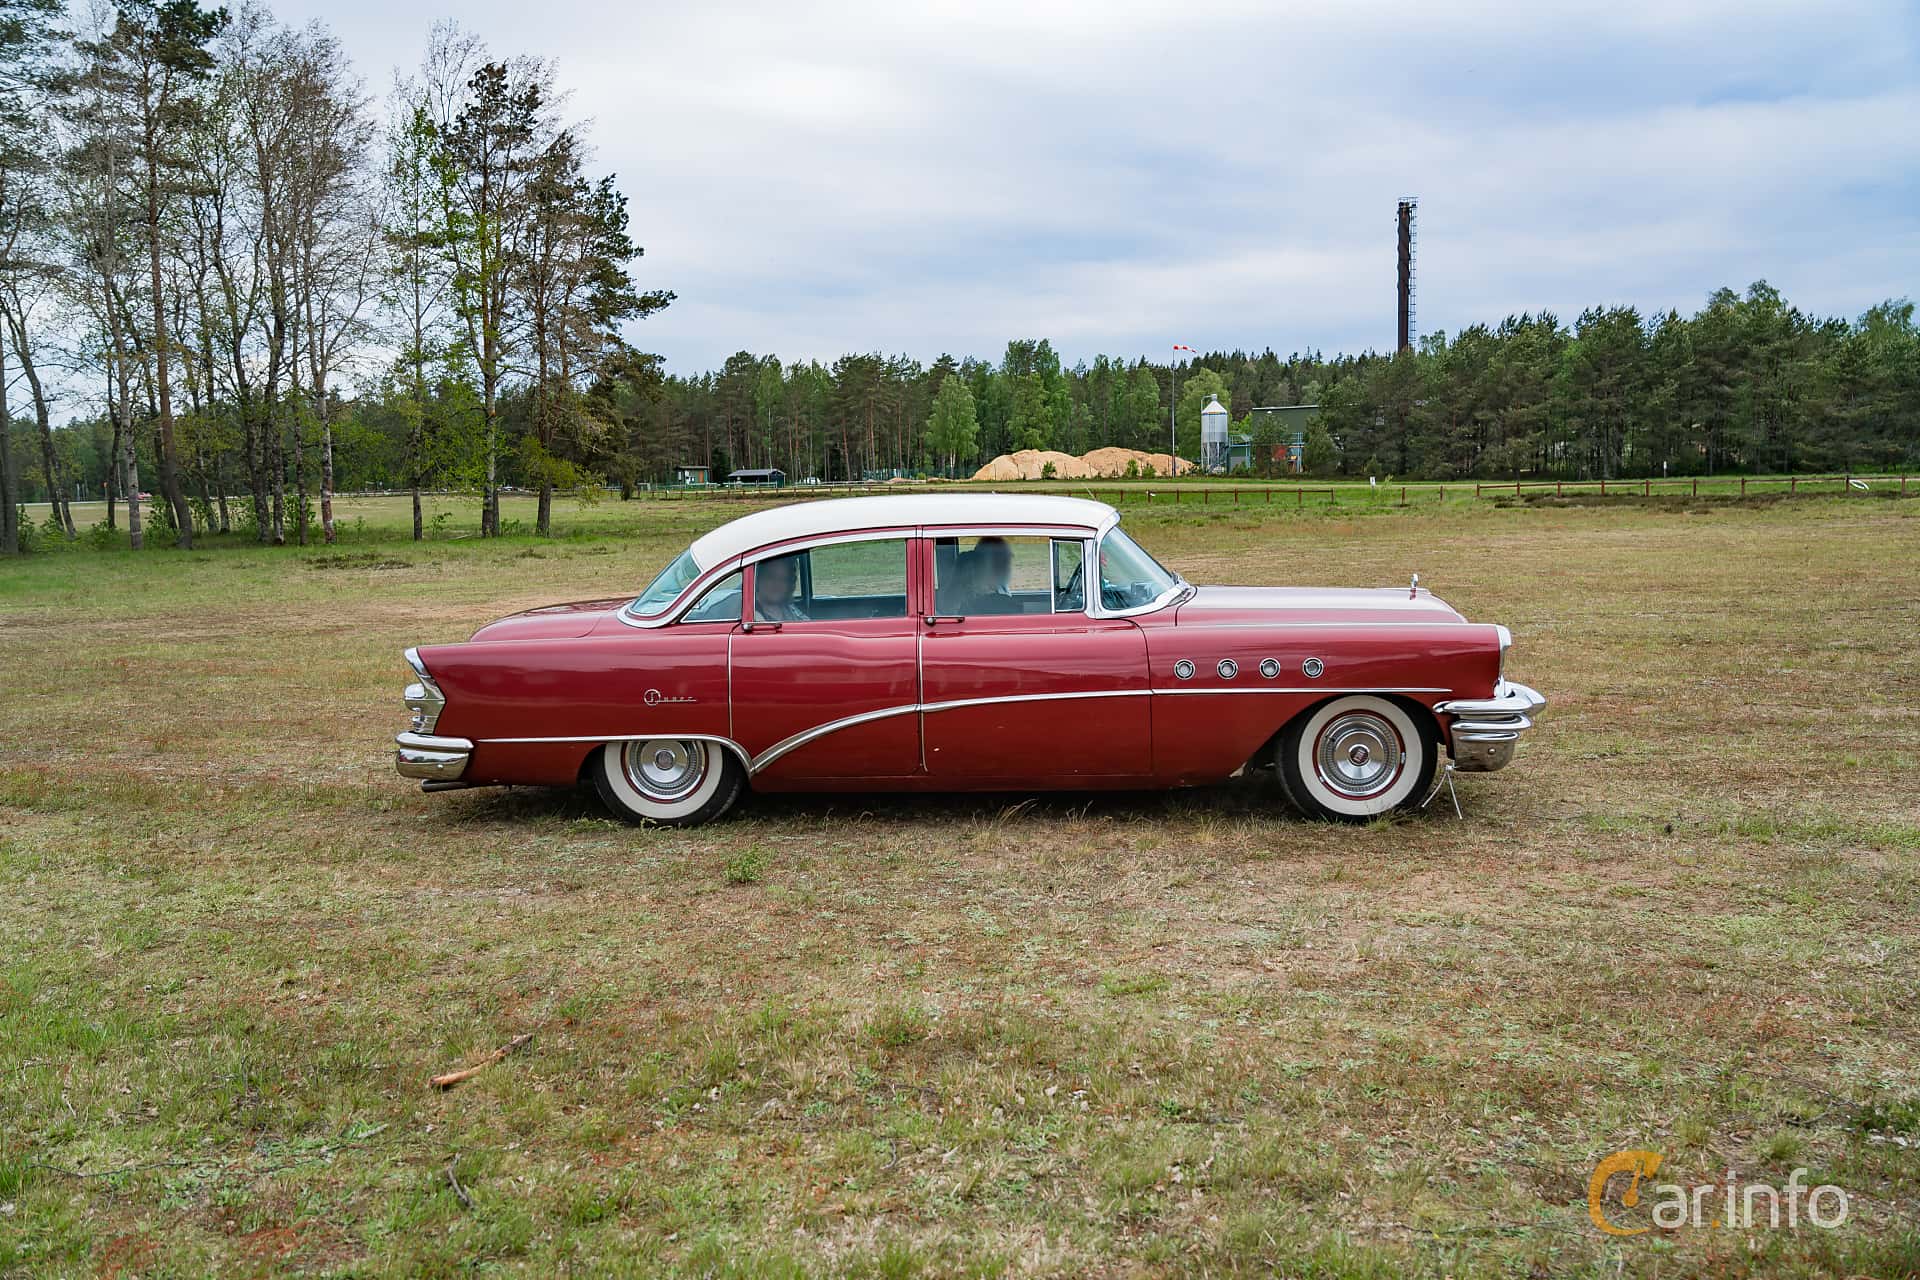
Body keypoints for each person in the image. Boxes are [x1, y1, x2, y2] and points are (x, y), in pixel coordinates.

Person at [754, 554, 809, 622]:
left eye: (783, 579)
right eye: (771, 577)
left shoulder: (788, 607)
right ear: (758, 579)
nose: (777, 584)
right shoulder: (753, 616)